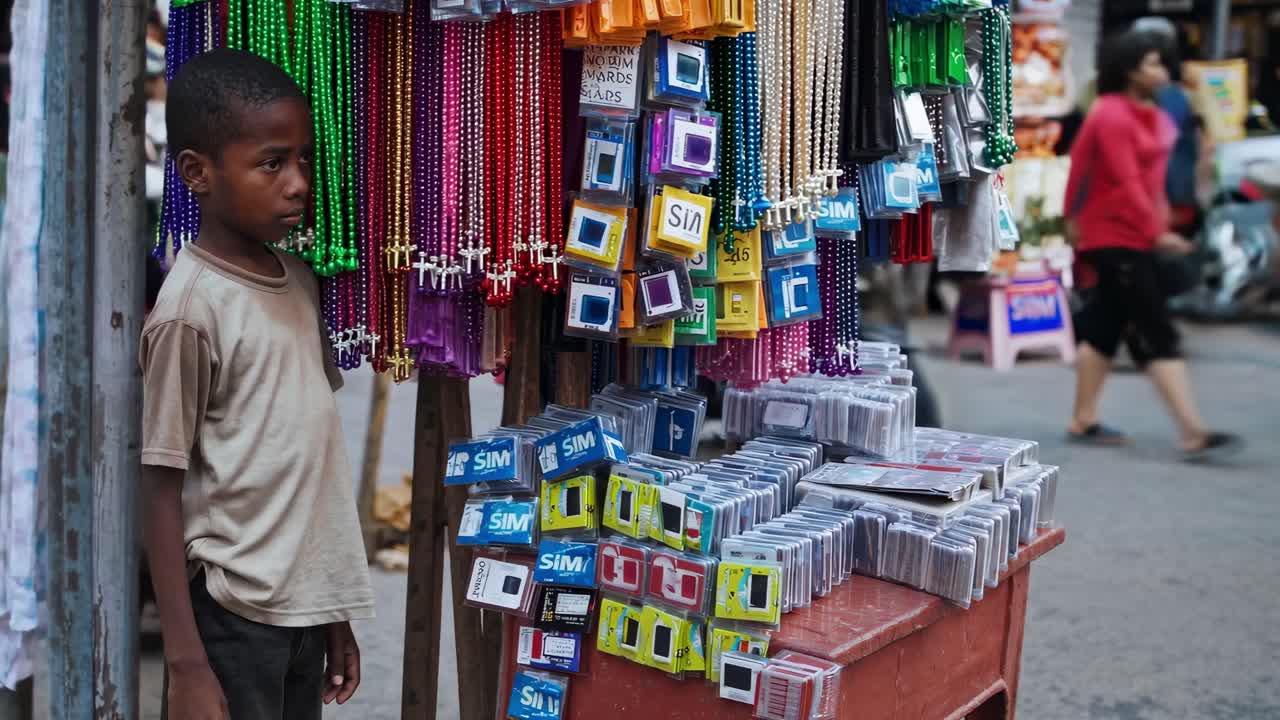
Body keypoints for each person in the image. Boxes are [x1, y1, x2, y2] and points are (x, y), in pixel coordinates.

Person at [140, 48, 374, 720]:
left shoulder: (296, 280)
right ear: (197, 173)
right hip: (233, 617)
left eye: (303, 160)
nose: (298, 183)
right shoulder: (191, 310)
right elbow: (160, 487)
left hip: (298, 610)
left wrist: (330, 611)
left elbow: (307, 463)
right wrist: (185, 663)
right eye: (272, 164)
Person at [1063, 30, 1240, 459]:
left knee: (1105, 328)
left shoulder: (1153, 112)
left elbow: (1150, 182)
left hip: (1134, 232)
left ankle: (1083, 418)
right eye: (1152, 63)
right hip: (1114, 235)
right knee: (1157, 331)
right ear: (1129, 70)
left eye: (1163, 62)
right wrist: (1155, 232)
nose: (1162, 70)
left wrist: (1161, 223)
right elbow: (1118, 180)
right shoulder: (1110, 114)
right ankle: (1192, 430)